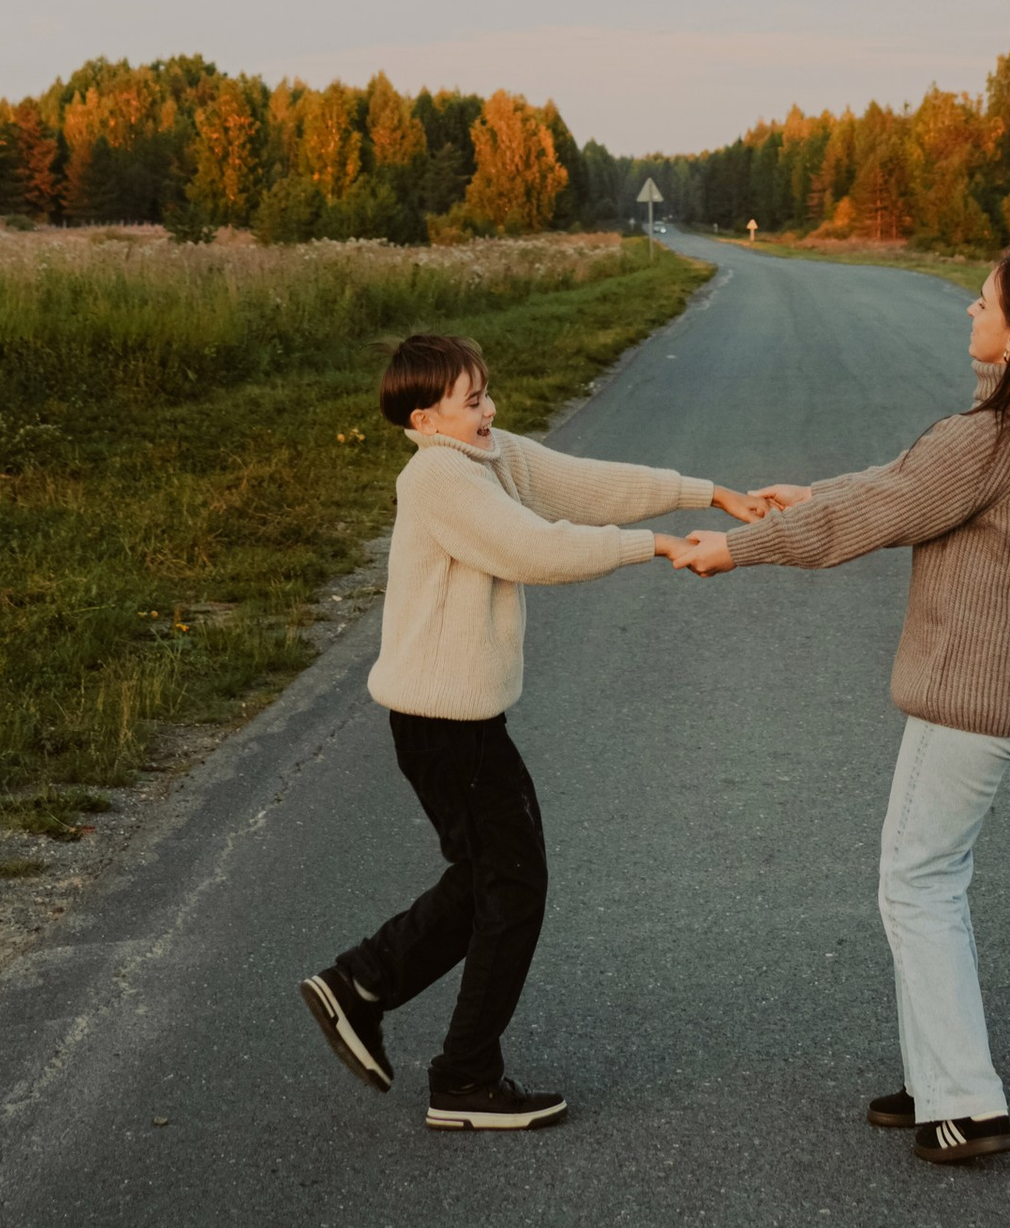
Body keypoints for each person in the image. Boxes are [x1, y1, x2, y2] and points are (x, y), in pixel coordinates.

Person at [667, 246, 1010, 1166]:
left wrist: (736, 549)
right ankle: (932, 1081)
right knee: (922, 877)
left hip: (972, 696)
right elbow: (895, 489)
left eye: (982, 300)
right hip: (998, 690)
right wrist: (813, 494)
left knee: (917, 883)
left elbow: (881, 510)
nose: (968, 311)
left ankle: (962, 1100)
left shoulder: (990, 435)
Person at [301, 327, 790, 1131]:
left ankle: (362, 984)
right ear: (425, 420)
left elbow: (583, 485)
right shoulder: (438, 480)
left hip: (458, 721)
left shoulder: (484, 458)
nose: (490, 408)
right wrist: (657, 546)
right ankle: (460, 1073)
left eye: (487, 390)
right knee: (514, 884)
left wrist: (708, 491)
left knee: (491, 877)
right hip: (444, 724)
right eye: (471, 400)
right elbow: (534, 548)